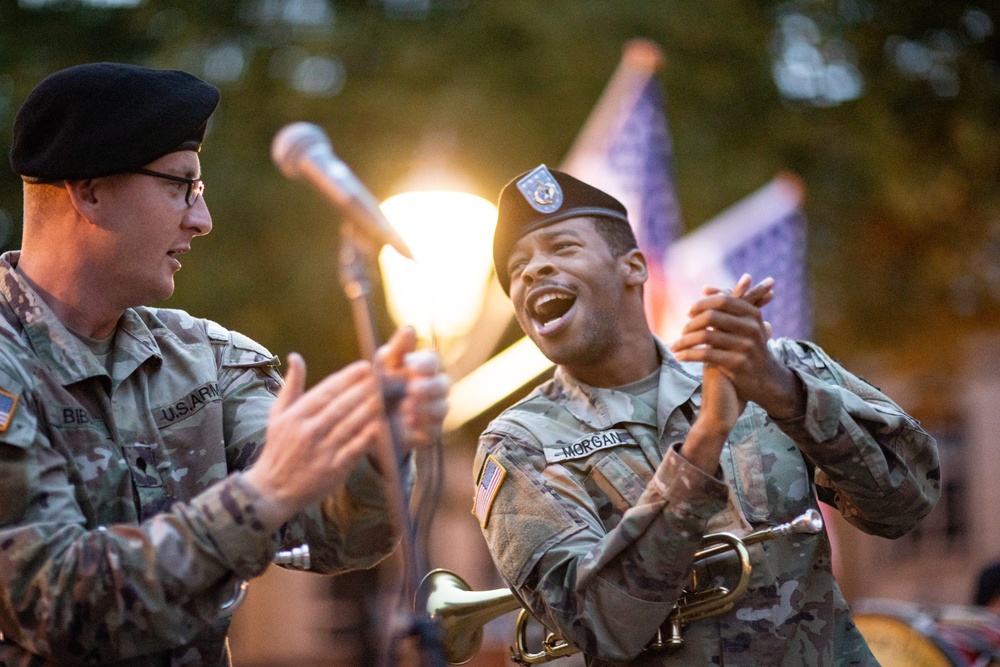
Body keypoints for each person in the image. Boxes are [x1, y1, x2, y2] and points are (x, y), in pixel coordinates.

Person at [0, 62, 449, 665]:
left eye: (200, 191)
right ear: (91, 191)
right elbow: (55, 605)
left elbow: (338, 536)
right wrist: (260, 496)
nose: (201, 220)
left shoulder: (203, 358)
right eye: (180, 186)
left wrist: (373, 447)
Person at [473, 164, 940, 666]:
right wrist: (707, 436)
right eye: (517, 268)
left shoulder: (769, 363)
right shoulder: (518, 446)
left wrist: (784, 393)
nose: (533, 271)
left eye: (562, 248)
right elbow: (600, 624)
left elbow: (909, 501)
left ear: (632, 266)